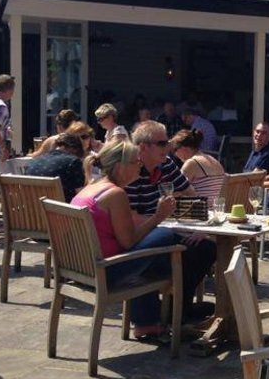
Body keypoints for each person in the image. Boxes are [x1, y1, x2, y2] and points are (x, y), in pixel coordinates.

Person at [72, 140, 179, 339]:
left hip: (82, 269)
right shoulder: (116, 194)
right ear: (121, 167)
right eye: (136, 162)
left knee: (154, 246)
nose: (140, 165)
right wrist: (158, 217)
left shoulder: (90, 188)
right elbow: (128, 242)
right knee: (167, 236)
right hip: (107, 271)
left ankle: (147, 320)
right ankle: (169, 313)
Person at [125, 121, 216, 318]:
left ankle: (179, 309)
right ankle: (174, 314)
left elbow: (191, 194)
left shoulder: (165, 164)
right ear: (143, 147)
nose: (168, 147)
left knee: (207, 248)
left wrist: (198, 226)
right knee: (190, 254)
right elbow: (131, 220)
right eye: (162, 143)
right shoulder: (131, 171)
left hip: (164, 230)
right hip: (142, 239)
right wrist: (159, 218)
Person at [170, 128, 224, 207]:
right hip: (217, 210)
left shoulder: (191, 163)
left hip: (203, 212)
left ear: (184, 148)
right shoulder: (213, 160)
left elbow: (176, 191)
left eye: (175, 150)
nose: (175, 155)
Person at [26, 132, 88, 201]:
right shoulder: (73, 161)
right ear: (74, 148)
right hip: (60, 210)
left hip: (33, 209)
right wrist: (89, 175)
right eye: (78, 153)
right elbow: (80, 195)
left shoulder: (34, 161)